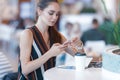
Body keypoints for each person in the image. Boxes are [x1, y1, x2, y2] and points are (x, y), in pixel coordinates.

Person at [18, 0, 84, 80]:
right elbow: (25, 69)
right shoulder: (28, 34)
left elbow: (80, 58)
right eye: (51, 13)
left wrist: (79, 45)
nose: (55, 17)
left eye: (57, 14)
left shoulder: (57, 35)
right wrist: (50, 53)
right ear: (39, 11)